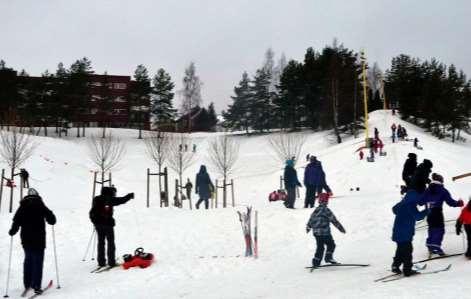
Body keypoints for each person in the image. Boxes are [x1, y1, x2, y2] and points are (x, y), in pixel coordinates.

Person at [8, 188, 56, 295]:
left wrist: (12, 231)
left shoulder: (22, 206)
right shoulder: (40, 204)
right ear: (37, 195)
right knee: (38, 261)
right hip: (39, 239)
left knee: (28, 260)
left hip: (26, 239)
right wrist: (51, 219)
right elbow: (52, 219)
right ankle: (36, 285)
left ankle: (27, 283)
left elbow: (16, 221)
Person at [89, 186, 134, 268]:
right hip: (107, 224)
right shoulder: (109, 199)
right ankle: (111, 262)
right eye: (113, 192)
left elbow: (93, 210)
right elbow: (121, 200)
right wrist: (129, 196)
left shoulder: (96, 198)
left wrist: (94, 221)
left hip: (97, 223)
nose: (114, 194)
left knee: (101, 242)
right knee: (110, 243)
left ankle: (101, 262)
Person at [421, 173, 463, 255]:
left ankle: (430, 244)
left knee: (432, 228)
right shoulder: (442, 190)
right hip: (437, 212)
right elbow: (450, 202)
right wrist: (459, 203)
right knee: (440, 229)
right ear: (440, 180)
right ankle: (436, 247)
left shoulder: (427, 190)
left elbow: (421, 202)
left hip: (429, 212)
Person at [391, 190, 429, 276]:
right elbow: (418, 217)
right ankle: (407, 270)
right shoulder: (411, 205)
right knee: (408, 250)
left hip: (397, 232)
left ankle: (395, 266)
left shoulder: (401, 204)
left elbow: (394, 209)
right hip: (405, 233)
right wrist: (426, 211)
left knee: (400, 250)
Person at [306, 193, 345, 267]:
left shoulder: (316, 210)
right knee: (331, 245)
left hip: (316, 233)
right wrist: (341, 228)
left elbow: (311, 219)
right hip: (325, 232)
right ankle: (328, 257)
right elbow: (334, 220)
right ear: (327, 201)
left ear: (319, 201)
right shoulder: (327, 210)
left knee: (320, 247)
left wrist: (308, 227)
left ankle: (316, 261)